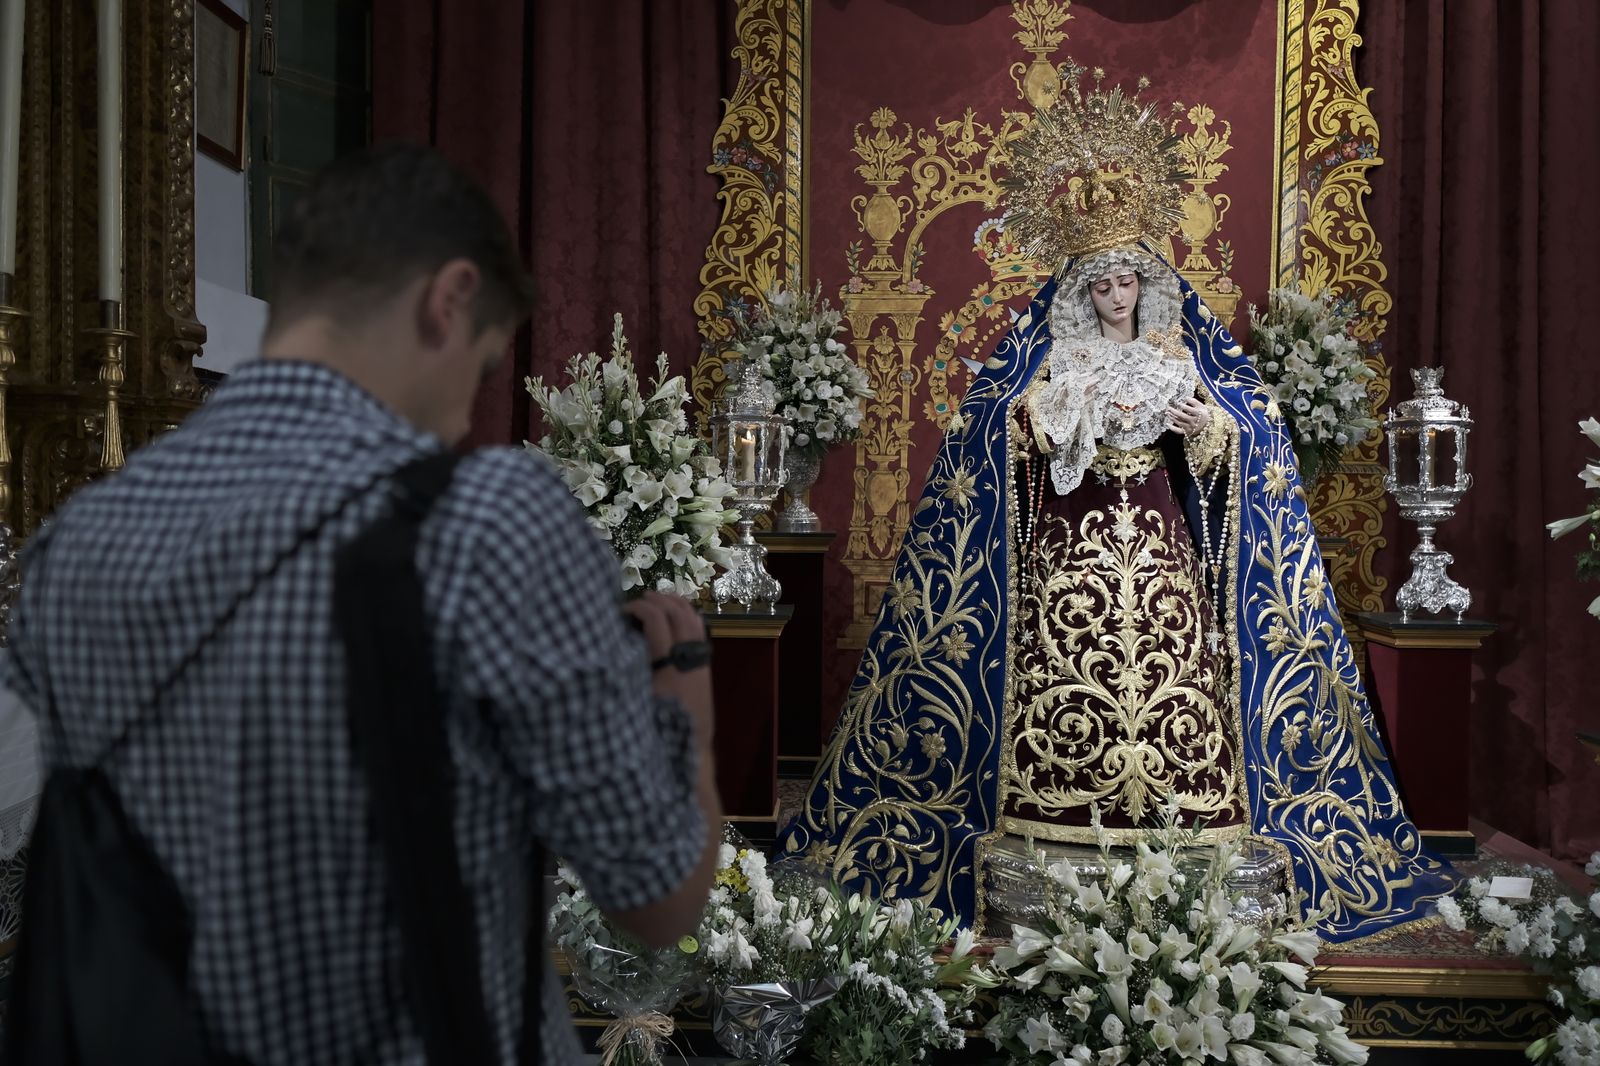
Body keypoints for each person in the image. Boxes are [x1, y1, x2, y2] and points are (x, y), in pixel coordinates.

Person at [0, 144, 720, 1063]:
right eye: (481, 369)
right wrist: (684, 701)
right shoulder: (484, 521)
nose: (464, 419)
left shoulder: (75, 540)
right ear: (448, 298)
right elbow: (657, 901)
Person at [778, 76, 1451, 943]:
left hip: (1162, 540)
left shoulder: (1178, 355)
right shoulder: (1055, 359)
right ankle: (1051, 815)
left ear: (1146, 285)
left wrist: (1205, 429)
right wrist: (1049, 419)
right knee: (1062, 664)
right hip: (1073, 546)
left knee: (1177, 668)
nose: (1118, 296)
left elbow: (1239, 435)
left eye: (1128, 281)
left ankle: (1182, 825)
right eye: (1102, 286)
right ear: (1082, 293)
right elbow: (998, 427)